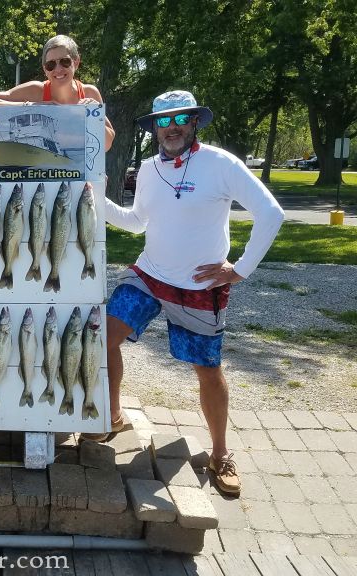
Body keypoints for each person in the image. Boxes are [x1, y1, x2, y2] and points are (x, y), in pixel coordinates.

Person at [100, 90, 284, 496]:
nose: (172, 128)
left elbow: (271, 213)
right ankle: (112, 415)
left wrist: (240, 270)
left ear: (194, 121)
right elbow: (135, 224)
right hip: (149, 275)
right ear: (154, 129)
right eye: (163, 121)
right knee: (103, 337)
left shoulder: (220, 163)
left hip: (200, 288)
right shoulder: (148, 169)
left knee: (208, 370)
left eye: (180, 119)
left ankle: (220, 454)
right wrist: (98, 196)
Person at [0, 34, 116, 150]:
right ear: (45, 69)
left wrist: (91, 118)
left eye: (65, 61)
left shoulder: (89, 93)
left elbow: (107, 145)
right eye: (51, 64)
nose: (58, 69)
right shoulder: (35, 91)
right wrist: (31, 106)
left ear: (76, 62)